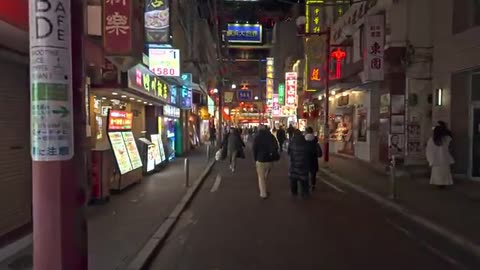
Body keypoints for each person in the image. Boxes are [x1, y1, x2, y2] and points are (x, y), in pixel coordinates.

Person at [253, 125, 280, 199]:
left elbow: (254, 149)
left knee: (261, 177)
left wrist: (255, 158)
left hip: (260, 160)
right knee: (265, 176)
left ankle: (263, 194)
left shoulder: (257, 137)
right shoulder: (271, 136)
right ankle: (264, 188)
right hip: (270, 160)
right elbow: (276, 146)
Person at [288, 129, 316, 198]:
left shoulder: (291, 143)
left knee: (293, 179)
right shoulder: (305, 142)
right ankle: (305, 193)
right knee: (304, 181)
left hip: (294, 165)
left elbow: (289, 153)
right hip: (303, 165)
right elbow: (309, 153)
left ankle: (294, 192)